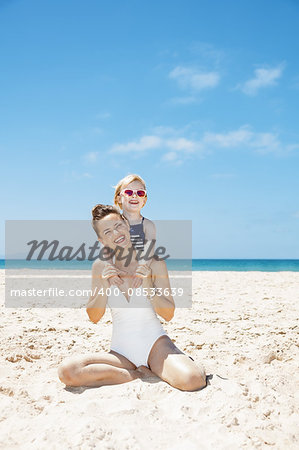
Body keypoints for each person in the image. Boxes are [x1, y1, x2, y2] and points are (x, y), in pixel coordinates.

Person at [58, 205, 206, 392]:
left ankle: (173, 363)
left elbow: (168, 314)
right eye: (108, 231)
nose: (116, 233)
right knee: (68, 371)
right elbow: (94, 317)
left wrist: (148, 287)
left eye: (119, 226)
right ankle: (138, 374)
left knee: (193, 380)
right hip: (121, 352)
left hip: (156, 346)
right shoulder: (99, 267)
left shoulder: (154, 262)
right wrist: (103, 286)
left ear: (127, 225)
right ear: (101, 240)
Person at [105, 174, 156, 289]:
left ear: (144, 200)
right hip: (120, 273)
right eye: (128, 192)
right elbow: (106, 251)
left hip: (141, 273)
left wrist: (140, 272)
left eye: (140, 193)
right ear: (119, 198)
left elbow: (148, 252)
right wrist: (111, 271)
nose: (134, 196)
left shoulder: (148, 225)